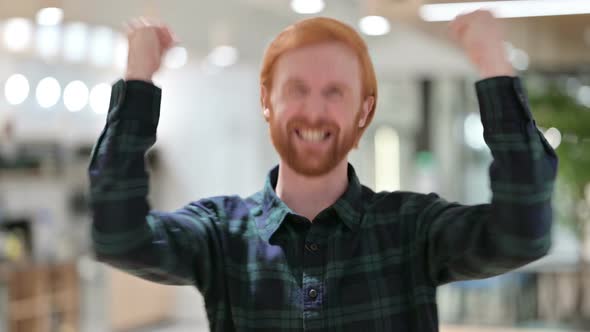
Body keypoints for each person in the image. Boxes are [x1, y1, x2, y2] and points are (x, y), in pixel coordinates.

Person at [88, 10, 558, 331]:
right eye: (296, 89)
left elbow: (522, 233)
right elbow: (119, 237)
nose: (314, 111)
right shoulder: (219, 234)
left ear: (363, 111)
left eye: (334, 91)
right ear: (266, 102)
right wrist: (137, 80)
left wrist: (494, 69)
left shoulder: (411, 230)